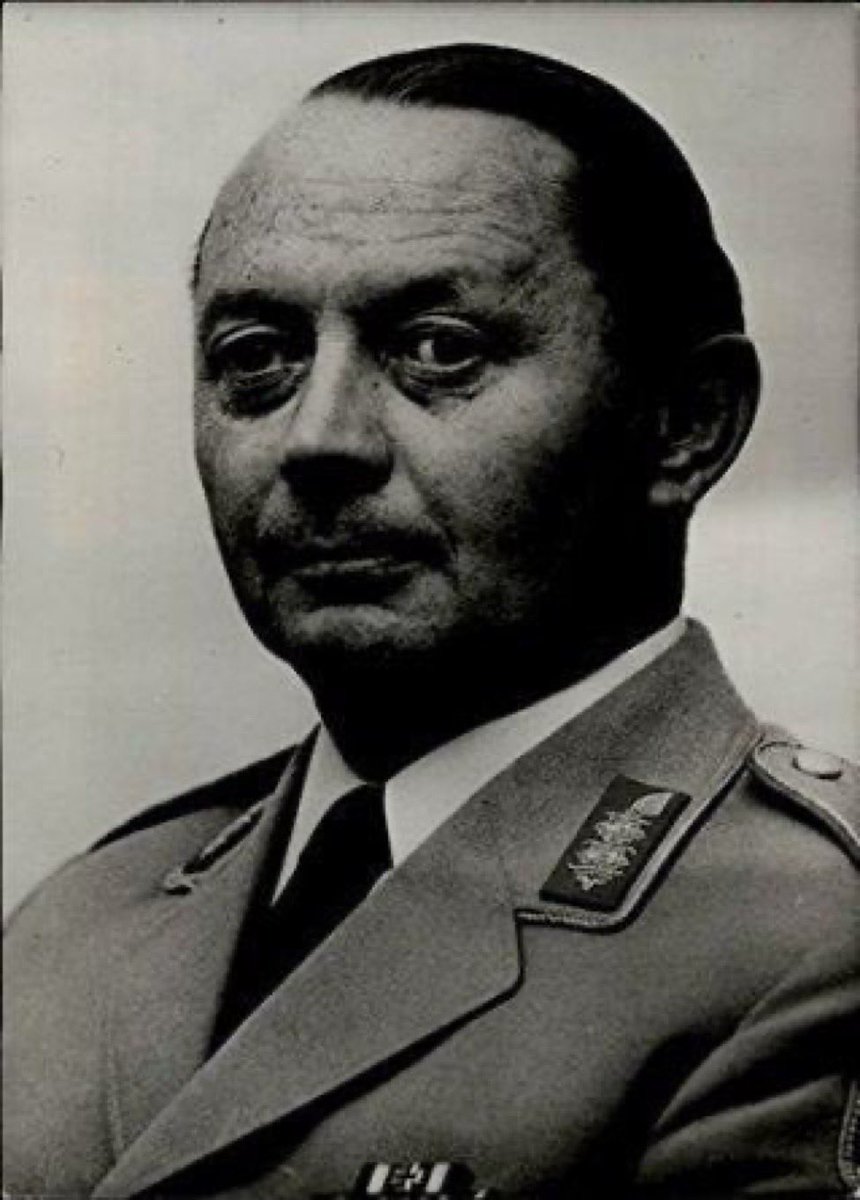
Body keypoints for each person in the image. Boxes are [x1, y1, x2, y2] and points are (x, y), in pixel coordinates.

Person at [4, 43, 858, 1200]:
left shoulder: (808, 936)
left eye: (438, 349)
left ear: (682, 425)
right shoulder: (78, 923)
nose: (318, 440)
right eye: (257, 358)